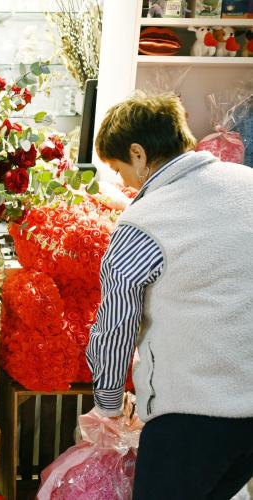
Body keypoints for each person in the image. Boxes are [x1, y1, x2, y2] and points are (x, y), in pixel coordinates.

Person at [86, 93, 253, 499]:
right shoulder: (247, 183)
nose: (124, 182)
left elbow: (116, 326)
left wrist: (108, 405)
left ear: (138, 154)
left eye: (119, 169)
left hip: (191, 416)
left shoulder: (142, 222)